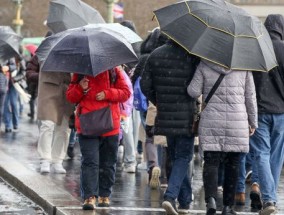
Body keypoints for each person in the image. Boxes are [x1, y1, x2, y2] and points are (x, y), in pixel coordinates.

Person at [187, 60, 257, 215]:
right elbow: (250, 97)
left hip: (211, 120)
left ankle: (210, 200)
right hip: (237, 121)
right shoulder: (244, 65)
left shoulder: (205, 64)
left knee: (211, 162)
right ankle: (227, 206)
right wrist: (253, 122)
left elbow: (193, 91)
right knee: (233, 164)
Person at [141, 38, 200, 215]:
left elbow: (144, 85)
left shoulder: (155, 55)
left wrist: (158, 100)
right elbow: (196, 87)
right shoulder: (191, 57)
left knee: (176, 156)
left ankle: (184, 200)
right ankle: (171, 196)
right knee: (184, 156)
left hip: (165, 113)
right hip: (186, 114)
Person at [66, 67, 131, 210]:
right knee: (90, 162)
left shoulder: (114, 71)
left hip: (109, 125)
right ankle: (89, 197)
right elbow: (70, 96)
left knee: (107, 164)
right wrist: (81, 88)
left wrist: (107, 93)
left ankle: (104, 195)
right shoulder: (80, 72)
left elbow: (126, 93)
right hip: (87, 125)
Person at [248, 14, 284, 215]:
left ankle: (269, 199)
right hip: (281, 112)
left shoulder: (256, 48)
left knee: (261, 154)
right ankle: (270, 197)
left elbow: (249, 82)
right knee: (276, 157)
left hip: (259, 109)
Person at [3, 57, 25, 132]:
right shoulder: (3, 55)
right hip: (4, 84)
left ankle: (15, 123)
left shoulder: (18, 57)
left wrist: (15, 79)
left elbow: (23, 72)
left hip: (14, 84)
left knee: (14, 104)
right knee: (6, 105)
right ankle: (7, 125)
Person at [0, 65, 10, 132]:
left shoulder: (5, 62)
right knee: (1, 108)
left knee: (1, 108)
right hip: (3, 88)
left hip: (3, 89)